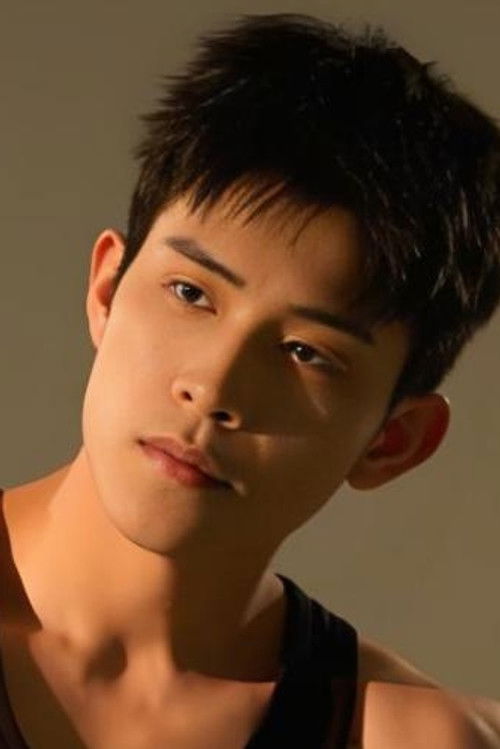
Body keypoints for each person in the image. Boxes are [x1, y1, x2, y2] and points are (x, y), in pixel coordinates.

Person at [0, 12, 499, 748]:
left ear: (393, 440)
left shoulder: (404, 736)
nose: (214, 388)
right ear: (107, 288)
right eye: (190, 293)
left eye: (305, 353)